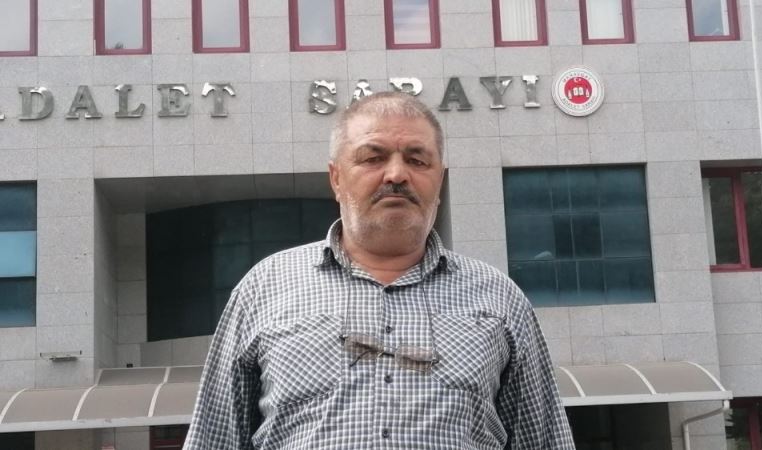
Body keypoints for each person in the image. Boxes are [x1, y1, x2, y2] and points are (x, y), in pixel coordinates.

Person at [184, 92, 575, 449]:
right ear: (336, 178)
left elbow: (543, 441)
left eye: (417, 160)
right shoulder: (264, 288)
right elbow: (214, 440)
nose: (397, 175)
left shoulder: (499, 299)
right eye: (373, 158)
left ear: (439, 179)